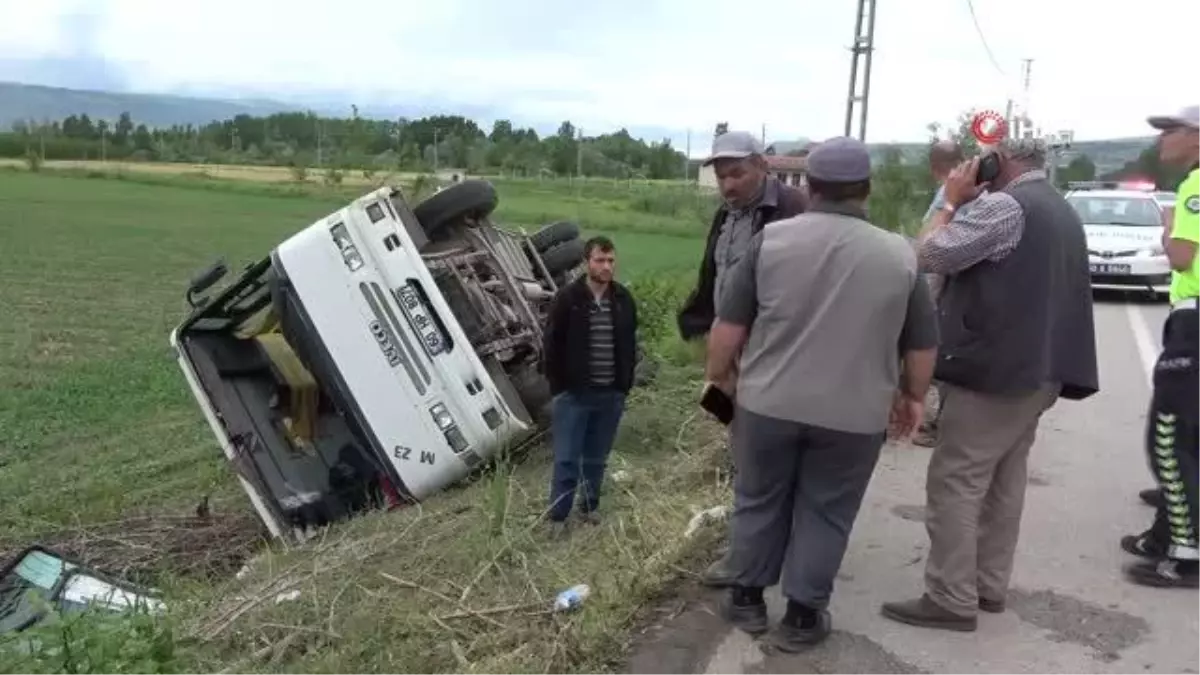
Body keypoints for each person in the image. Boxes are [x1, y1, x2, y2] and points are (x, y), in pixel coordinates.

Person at [705, 137, 939, 650]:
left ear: (809, 186)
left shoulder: (771, 242)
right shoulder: (899, 255)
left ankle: (746, 599)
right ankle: (804, 617)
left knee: (758, 498)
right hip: (854, 416)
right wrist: (913, 397)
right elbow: (921, 343)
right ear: (867, 190)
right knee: (827, 509)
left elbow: (729, 326)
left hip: (767, 405)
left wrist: (721, 378)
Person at [881, 137, 1099, 632]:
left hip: (995, 373)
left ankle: (950, 598)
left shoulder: (1005, 206)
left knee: (956, 479)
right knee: (1004, 479)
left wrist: (953, 200)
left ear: (1001, 161)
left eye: (983, 159)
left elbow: (929, 255)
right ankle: (986, 586)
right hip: (1040, 370)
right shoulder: (1059, 206)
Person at [676, 130, 809, 588]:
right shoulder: (726, 214)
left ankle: (765, 556)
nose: (728, 185)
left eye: (737, 173)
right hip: (730, 349)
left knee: (770, 454)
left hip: (772, 353)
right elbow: (714, 273)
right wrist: (700, 323)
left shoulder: (792, 209)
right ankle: (756, 544)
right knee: (740, 443)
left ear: (761, 166)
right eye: (721, 176)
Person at [1120, 104, 1200, 587]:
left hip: (1195, 319)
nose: (1162, 139)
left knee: (1169, 437)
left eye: (1171, 130)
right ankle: (1164, 535)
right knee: (1192, 437)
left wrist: (1169, 225)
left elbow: (1180, 257)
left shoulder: (1194, 188)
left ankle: (1185, 554)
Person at [542, 236, 639, 536]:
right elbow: (551, 345)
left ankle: (589, 508)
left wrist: (624, 385)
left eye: (610, 260)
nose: (606, 266)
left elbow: (630, 345)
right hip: (574, 395)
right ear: (587, 263)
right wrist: (561, 387)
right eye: (600, 260)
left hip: (610, 395)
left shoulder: (623, 300)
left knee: (596, 457)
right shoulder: (568, 299)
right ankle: (558, 517)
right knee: (568, 458)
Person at [912, 140, 965, 448]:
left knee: (935, 346)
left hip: (938, 280)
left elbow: (929, 242)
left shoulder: (950, 194)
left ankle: (936, 422)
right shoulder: (968, 191)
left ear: (934, 168)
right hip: (947, 280)